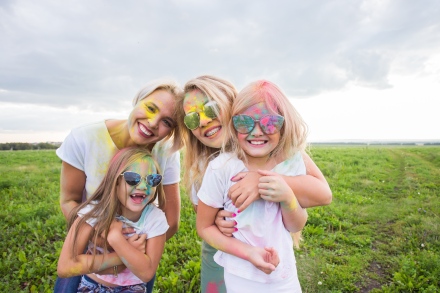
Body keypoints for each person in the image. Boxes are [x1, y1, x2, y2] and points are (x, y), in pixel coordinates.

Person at [177, 76, 332, 293]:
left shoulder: (280, 152)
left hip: (276, 266)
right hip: (220, 251)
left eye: (211, 109)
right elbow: (204, 219)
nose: (203, 121)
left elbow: (323, 194)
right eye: (192, 119)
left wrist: (261, 180)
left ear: (233, 106)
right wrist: (219, 219)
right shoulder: (205, 165)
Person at [54, 79, 184, 292]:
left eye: (167, 122)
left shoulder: (166, 151)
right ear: (138, 101)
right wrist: (109, 244)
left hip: (137, 262)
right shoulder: (84, 138)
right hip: (89, 252)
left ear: (171, 131)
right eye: (150, 108)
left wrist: (136, 254)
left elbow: (171, 220)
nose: (152, 122)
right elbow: (70, 201)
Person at [57, 147, 168, 292]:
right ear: (115, 181)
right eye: (132, 178)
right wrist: (120, 257)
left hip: (133, 288)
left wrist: (115, 238)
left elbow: (147, 273)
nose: (142, 186)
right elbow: (66, 266)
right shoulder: (93, 213)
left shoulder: (155, 218)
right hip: (91, 286)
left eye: (152, 179)